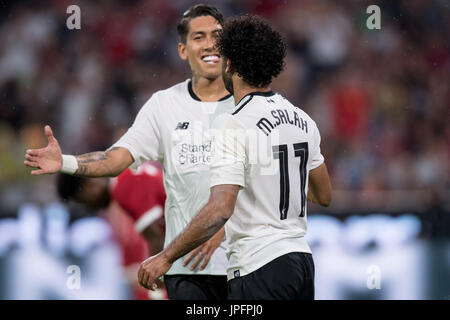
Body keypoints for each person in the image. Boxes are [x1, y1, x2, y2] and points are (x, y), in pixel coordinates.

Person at [24, 4, 232, 300]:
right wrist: (68, 162)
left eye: (215, 36)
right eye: (199, 37)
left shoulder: (125, 187)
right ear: (182, 51)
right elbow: (113, 157)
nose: (89, 206)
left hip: (222, 256)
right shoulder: (162, 108)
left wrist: (159, 282)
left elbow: (156, 237)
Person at [137, 15, 332, 300]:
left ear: (230, 65)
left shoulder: (234, 122)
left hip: (259, 266)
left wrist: (166, 257)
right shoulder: (302, 120)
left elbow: (220, 208)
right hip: (301, 262)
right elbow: (323, 194)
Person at [57, 168, 167, 300]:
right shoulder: (125, 176)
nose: (89, 206)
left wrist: (157, 290)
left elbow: (156, 237)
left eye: (83, 201)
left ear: (88, 184)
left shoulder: (121, 187)